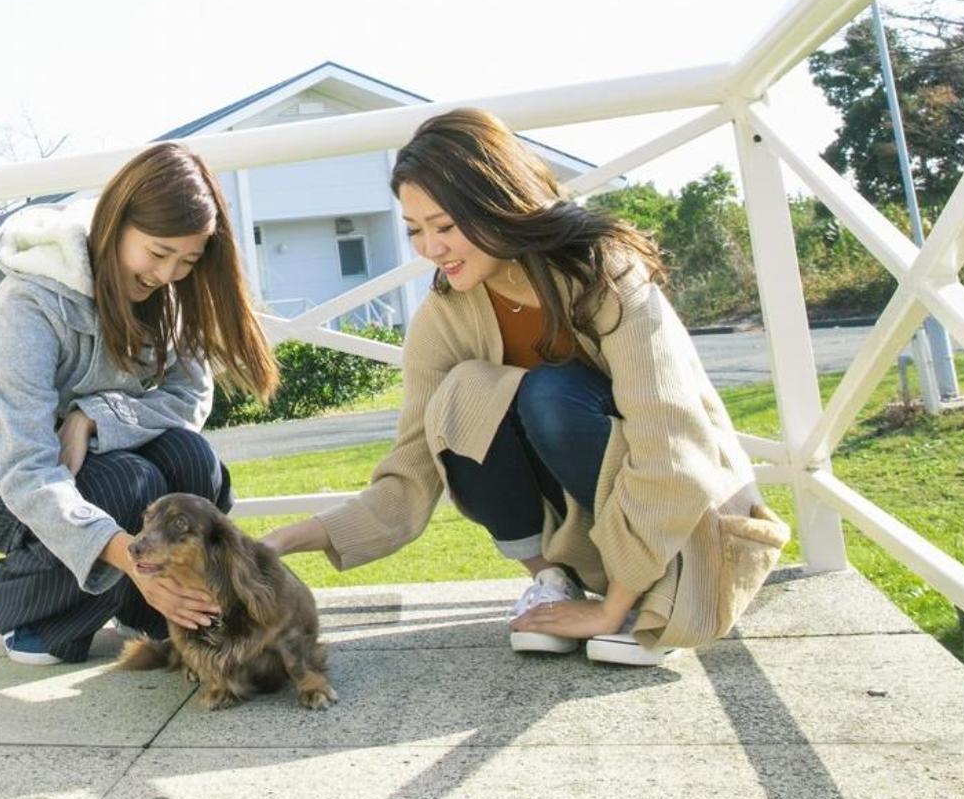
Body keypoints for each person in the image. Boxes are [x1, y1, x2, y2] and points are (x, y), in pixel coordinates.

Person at [260, 108, 786, 665]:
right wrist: (280, 542)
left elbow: (673, 440)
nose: (430, 248)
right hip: (591, 537)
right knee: (463, 394)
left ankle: (643, 597)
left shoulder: (604, 274)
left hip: (686, 530)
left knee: (551, 395)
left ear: (496, 203)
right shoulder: (446, 313)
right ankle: (553, 582)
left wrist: (612, 612)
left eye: (445, 226)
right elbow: (412, 470)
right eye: (414, 230)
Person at [0, 142, 281, 664]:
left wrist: (92, 419)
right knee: (128, 484)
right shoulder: (29, 305)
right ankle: (34, 611)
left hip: (97, 458)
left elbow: (190, 397)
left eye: (187, 261)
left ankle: (153, 612)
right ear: (115, 224)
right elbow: (26, 469)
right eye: (158, 253)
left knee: (192, 459)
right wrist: (135, 560)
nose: (167, 274)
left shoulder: (167, 295)